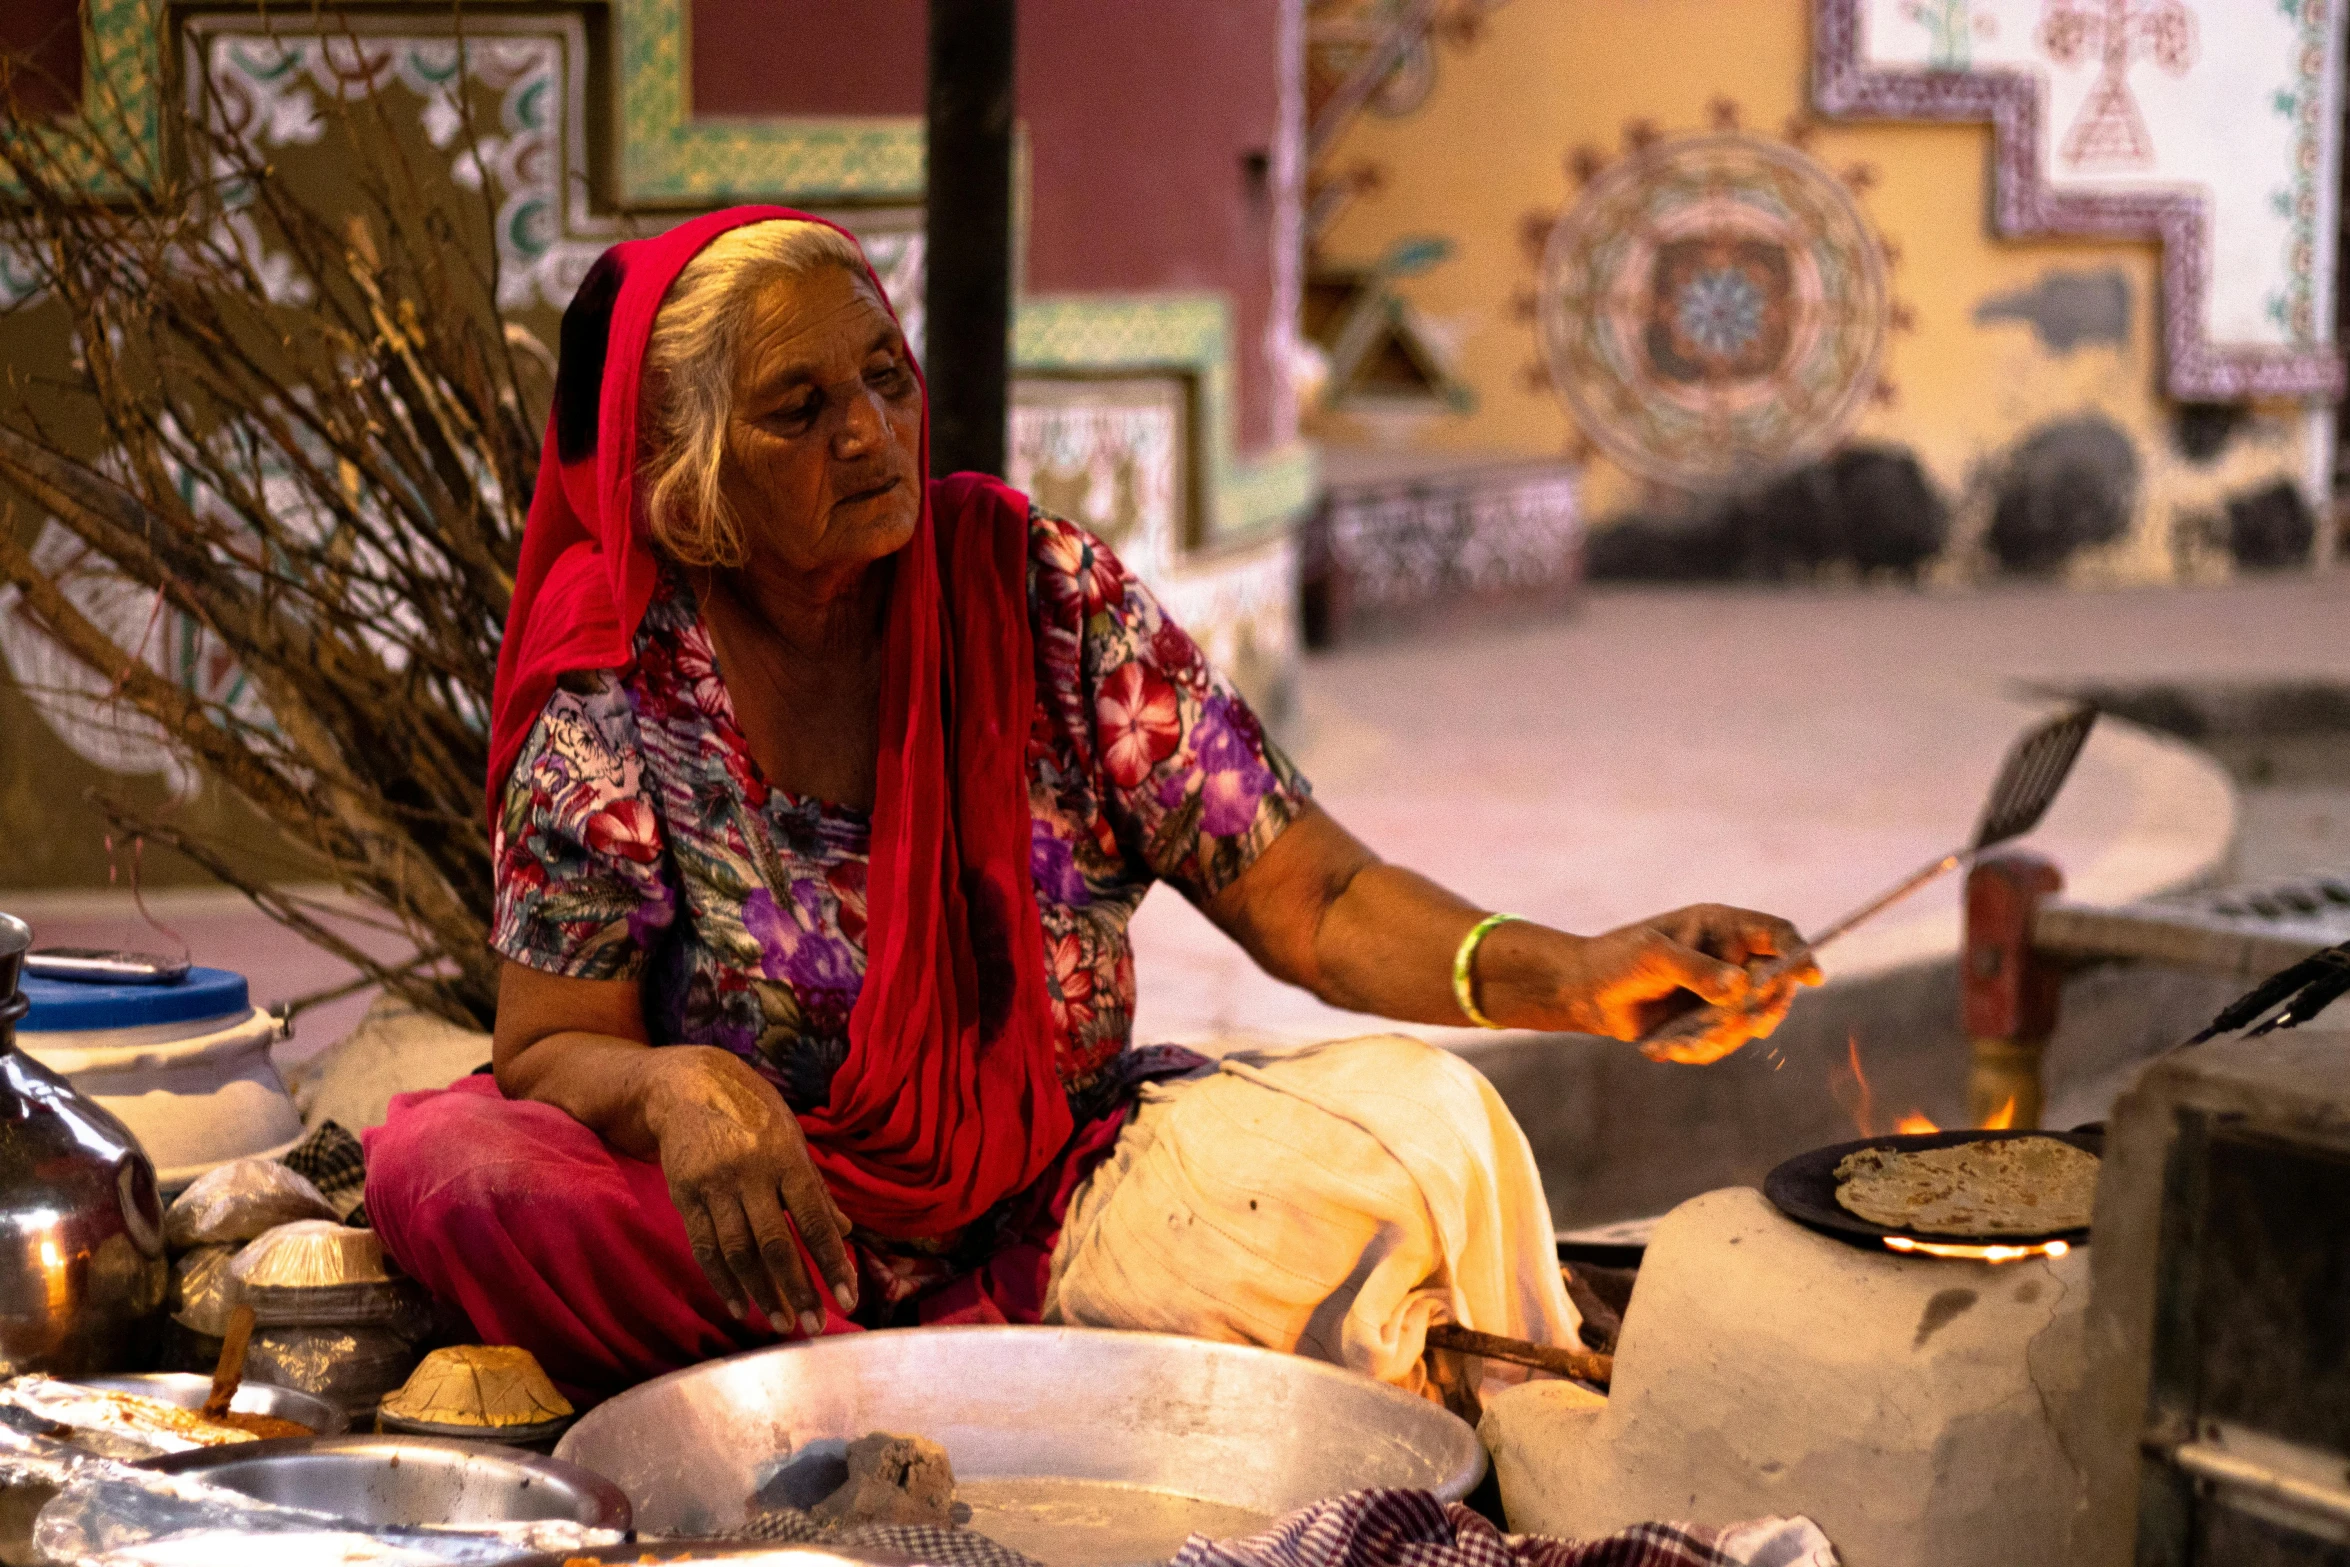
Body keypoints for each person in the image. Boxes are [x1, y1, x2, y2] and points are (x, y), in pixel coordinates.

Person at [363, 207, 1818, 1404]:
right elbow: (552, 1046)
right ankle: (930, 1383)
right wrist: (683, 1088)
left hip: (1067, 1190)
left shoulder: (1039, 598)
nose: (871, 434)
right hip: (773, 1232)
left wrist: (1567, 971)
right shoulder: (616, 689)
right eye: (798, 411)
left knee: (1429, 1129)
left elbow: (1307, 893)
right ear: (683, 488)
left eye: (883, 374)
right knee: (470, 1174)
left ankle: (886, 1385)